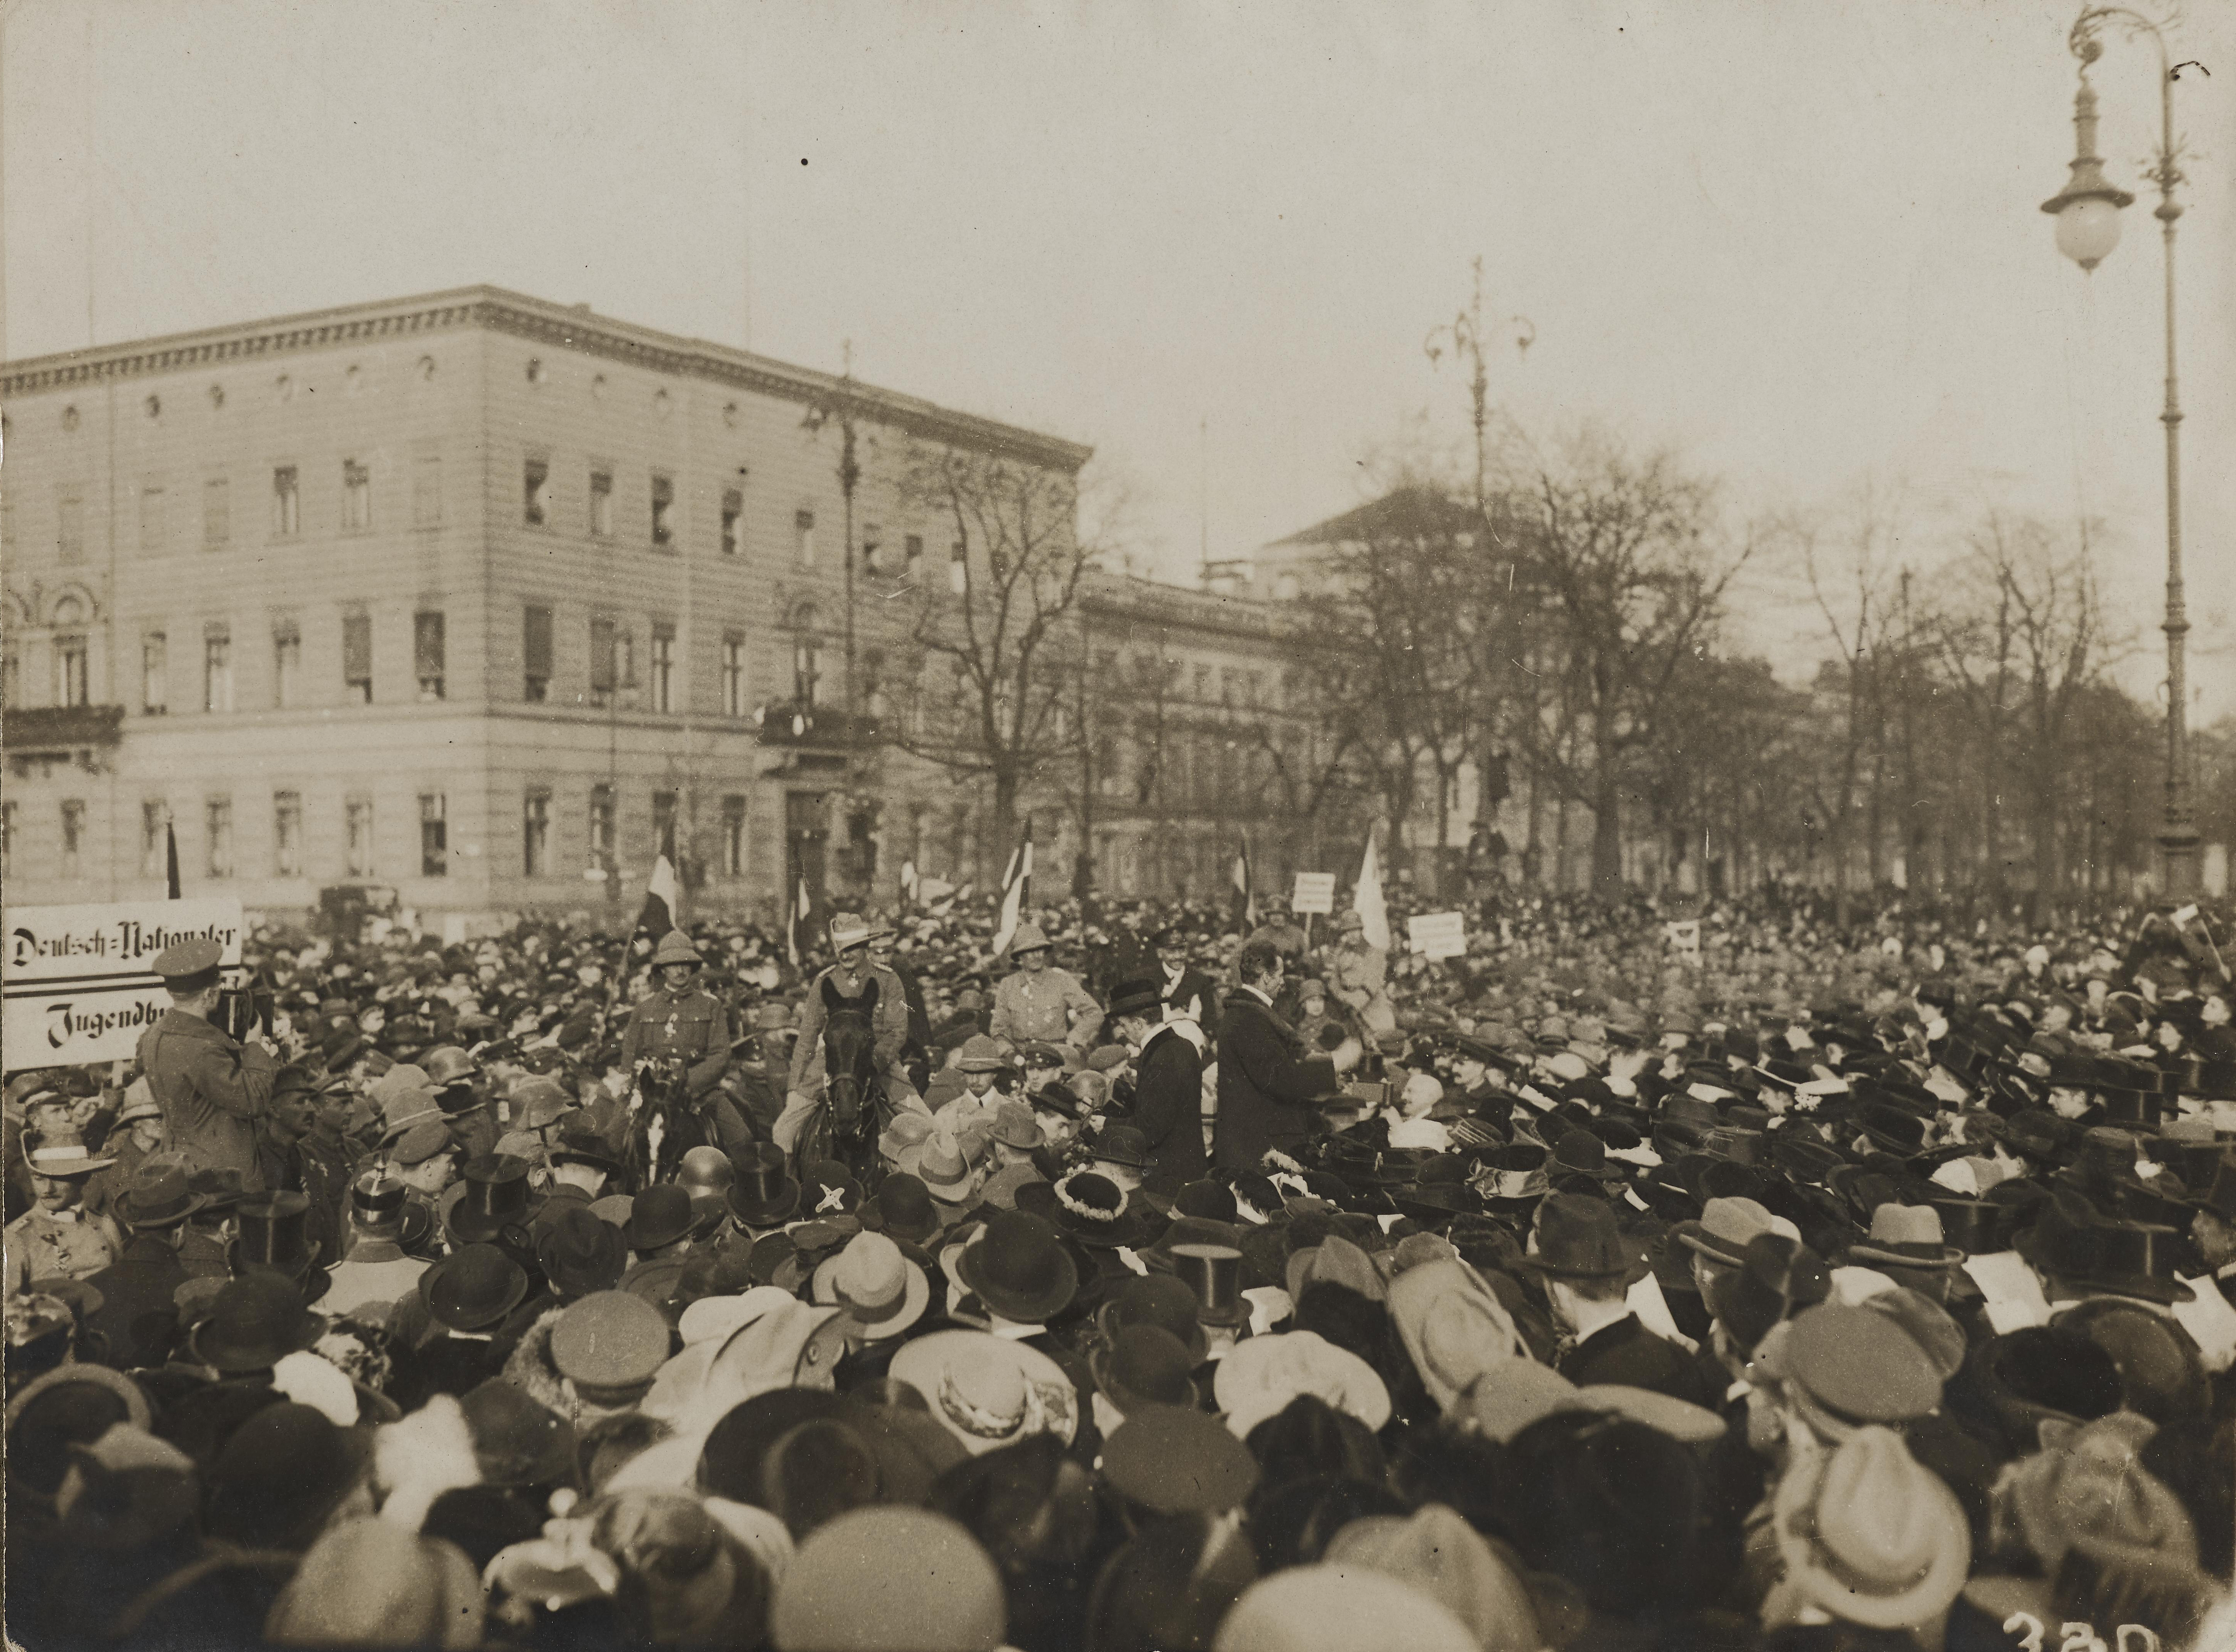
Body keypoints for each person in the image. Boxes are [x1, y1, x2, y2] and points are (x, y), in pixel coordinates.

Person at [136, 937, 278, 1190]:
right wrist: (255, 1047)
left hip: (178, 1158)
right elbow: (253, 1099)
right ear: (210, 994)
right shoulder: (201, 1047)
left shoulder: (153, 1035)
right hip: (219, 1170)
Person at [776, 913, 918, 1155]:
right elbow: (807, 1038)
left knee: (925, 1126)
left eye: (852, 947)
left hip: (878, 1062)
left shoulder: (888, 980)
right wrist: (793, 1088)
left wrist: (874, 1061)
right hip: (831, 1062)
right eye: (840, 948)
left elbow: (897, 1032)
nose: (846, 954)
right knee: (782, 1133)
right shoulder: (824, 982)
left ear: (865, 946)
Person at [1214, 939, 1356, 1173]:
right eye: (1279, 975)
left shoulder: (1249, 1013)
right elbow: (1280, 1079)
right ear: (1266, 977)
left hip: (1255, 1139)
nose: (1282, 982)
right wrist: (1337, 1063)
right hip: (1259, 1147)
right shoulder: (1250, 1020)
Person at [618, 930, 751, 1155]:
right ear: (662, 969)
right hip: (652, 1091)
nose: (680, 970)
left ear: (693, 968)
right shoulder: (645, 1007)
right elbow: (630, 1053)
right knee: (613, 1141)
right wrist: (633, 1082)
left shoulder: (711, 1006)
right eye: (673, 965)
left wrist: (687, 1082)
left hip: (699, 1091)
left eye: (685, 964)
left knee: (742, 1140)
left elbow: (721, 1056)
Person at [1106, 978, 1206, 1200]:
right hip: (1186, 1168)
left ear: (1140, 1023)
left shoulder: (1162, 1057)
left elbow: (1151, 1129)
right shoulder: (1181, 1046)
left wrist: (1106, 1125)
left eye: (1123, 1025)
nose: (1122, 1033)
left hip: (1168, 1178)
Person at [3, 1124, 121, 1290]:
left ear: (83, 1178)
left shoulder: (105, 1225)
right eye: (39, 1178)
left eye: (58, 1178)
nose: (48, 1189)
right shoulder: (18, 1237)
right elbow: (9, 1309)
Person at [990, 924, 1104, 1053]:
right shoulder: (1008, 985)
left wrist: (1074, 1039)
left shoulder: (1061, 980)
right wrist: (1008, 1051)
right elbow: (998, 1028)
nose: (1036, 956)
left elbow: (1095, 1013)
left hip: (1055, 1055)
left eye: (1040, 950)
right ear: (1020, 957)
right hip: (1020, 1056)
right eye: (1029, 951)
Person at [1324, 909, 1396, 1036]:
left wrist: (1354, 1004)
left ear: (1361, 930)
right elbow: (1334, 982)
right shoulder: (1340, 954)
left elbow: (1372, 984)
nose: (1352, 935)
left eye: (1355, 930)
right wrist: (1342, 997)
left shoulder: (1376, 953)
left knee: (1385, 1035)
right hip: (1345, 1004)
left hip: (1372, 1005)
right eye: (1347, 931)